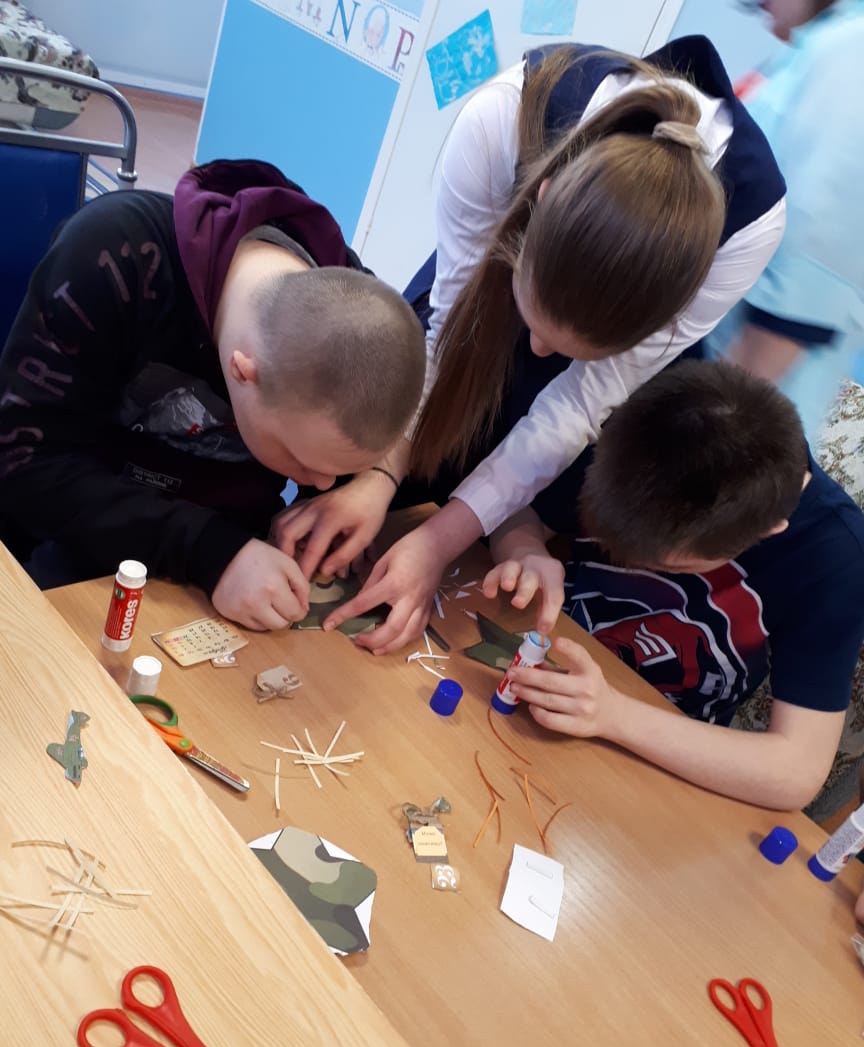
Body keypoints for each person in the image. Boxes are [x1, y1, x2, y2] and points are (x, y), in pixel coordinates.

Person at [274, 35, 787, 652]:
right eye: (534, 320)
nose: (537, 353)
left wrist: (438, 542)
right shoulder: (503, 119)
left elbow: (577, 404)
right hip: (466, 312)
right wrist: (380, 476)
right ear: (539, 203)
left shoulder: (750, 226)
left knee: (506, 479)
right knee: (354, 481)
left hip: (574, 366)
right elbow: (450, 330)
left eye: (571, 348)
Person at [0, 159, 426, 630]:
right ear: (243, 372)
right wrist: (211, 552)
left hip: (231, 562)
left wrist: (370, 482)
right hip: (76, 540)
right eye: (301, 462)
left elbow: (376, 437)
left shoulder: (352, 308)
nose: (321, 484)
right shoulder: (112, 258)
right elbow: (23, 466)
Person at [480, 360, 864, 811]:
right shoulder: (643, 413)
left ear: (768, 531)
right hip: (542, 669)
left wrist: (612, 713)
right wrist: (524, 550)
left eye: (668, 565)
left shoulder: (834, 556)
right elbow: (510, 505)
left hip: (660, 754)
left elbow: (795, 772)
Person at [710, 0, 864, 440]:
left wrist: (718, 416)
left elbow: (817, 253)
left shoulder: (852, 52)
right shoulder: (822, 46)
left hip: (738, 400)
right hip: (728, 380)